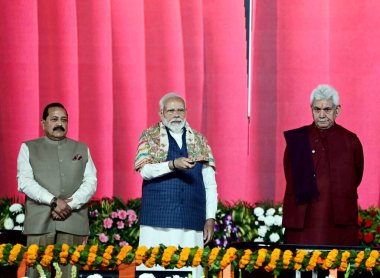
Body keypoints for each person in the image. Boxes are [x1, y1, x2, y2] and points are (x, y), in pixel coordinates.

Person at [134, 92, 218, 274]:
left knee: (191, 269)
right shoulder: (149, 136)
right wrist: (172, 165)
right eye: (170, 110)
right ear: (161, 113)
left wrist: (210, 218)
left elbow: (210, 184)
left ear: (186, 112)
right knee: (154, 269)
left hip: (192, 219)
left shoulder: (200, 140)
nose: (176, 114)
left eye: (180, 110)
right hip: (157, 220)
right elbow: (145, 171)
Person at [17, 102, 97, 278]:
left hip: (73, 219)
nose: (59, 123)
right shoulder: (28, 147)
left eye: (63, 120)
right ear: (43, 123)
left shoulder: (81, 148)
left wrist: (71, 204)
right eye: (54, 119)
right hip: (40, 221)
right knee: (36, 272)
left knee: (70, 273)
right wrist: (53, 201)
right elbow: (25, 182)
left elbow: (91, 181)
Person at [282, 85, 364, 246]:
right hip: (304, 221)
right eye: (316, 109)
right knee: (302, 267)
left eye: (327, 109)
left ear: (337, 110)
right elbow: (289, 174)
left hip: (339, 221)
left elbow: (357, 176)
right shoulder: (298, 140)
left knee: (337, 267)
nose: (321, 115)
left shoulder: (351, 141)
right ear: (311, 109)